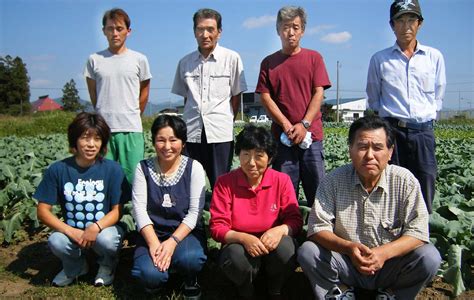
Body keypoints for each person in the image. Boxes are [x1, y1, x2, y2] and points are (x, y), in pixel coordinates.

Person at [297, 116, 441, 300]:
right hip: (347, 265)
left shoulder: (405, 181)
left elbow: (418, 231)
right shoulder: (333, 181)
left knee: (429, 257)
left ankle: (392, 294)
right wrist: (349, 248)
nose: (370, 155)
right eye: (362, 147)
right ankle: (339, 290)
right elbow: (317, 228)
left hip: (390, 266)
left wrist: (383, 253)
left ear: (390, 152)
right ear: (350, 149)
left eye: (378, 148)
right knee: (309, 251)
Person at [366, 0, 446, 213]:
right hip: (392, 132)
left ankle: (421, 236)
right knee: (391, 184)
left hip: (423, 132)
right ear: (392, 25)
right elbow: (374, 98)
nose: (406, 26)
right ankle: (391, 236)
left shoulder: (434, 57)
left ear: (420, 24)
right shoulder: (379, 59)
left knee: (425, 180)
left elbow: (439, 94)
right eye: (400, 20)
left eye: (411, 20)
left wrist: (426, 119)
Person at [35, 112, 128, 287]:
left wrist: (96, 227)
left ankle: (107, 266)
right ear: (75, 140)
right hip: (73, 231)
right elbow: (42, 211)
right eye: (86, 138)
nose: (91, 144)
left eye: (97, 139)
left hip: (103, 230)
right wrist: (71, 231)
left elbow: (118, 210)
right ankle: (76, 267)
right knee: (56, 241)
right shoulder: (58, 169)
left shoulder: (113, 169)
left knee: (108, 240)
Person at [210, 125, 303, 299]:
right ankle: (246, 289)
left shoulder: (281, 180)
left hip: (272, 245)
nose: (251, 162)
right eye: (245, 154)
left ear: (269, 158)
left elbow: (295, 220)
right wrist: (243, 238)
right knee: (235, 256)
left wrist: (279, 230)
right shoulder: (225, 182)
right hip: (238, 244)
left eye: (259, 155)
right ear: (239, 155)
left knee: (286, 248)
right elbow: (217, 227)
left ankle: (275, 289)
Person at [256, 6, 331, 208]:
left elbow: (319, 93)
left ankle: (319, 235)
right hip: (282, 139)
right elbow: (265, 97)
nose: (290, 32)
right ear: (278, 29)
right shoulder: (269, 63)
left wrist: (304, 124)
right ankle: (287, 236)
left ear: (302, 30)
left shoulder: (314, 58)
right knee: (282, 194)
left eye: (295, 27)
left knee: (318, 193)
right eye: (286, 27)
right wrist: (286, 124)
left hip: (312, 138)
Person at [131, 115, 207, 299]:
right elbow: (139, 210)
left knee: (191, 259)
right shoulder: (143, 168)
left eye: (173, 140)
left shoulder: (194, 167)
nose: (167, 146)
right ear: (153, 141)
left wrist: (172, 242)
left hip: (184, 233)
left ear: (182, 142)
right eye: (161, 140)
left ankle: (189, 279)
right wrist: (154, 243)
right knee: (149, 274)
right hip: (153, 232)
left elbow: (195, 212)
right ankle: (155, 283)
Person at [172, 8, 247, 188]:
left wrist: (226, 118)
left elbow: (236, 97)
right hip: (191, 133)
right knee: (188, 183)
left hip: (220, 132)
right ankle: (193, 216)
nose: (205, 34)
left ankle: (219, 216)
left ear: (219, 32)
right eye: (200, 29)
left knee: (220, 183)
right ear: (194, 32)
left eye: (210, 29)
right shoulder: (185, 62)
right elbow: (186, 98)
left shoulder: (232, 59)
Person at [84, 8, 152, 184]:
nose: (115, 33)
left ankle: (132, 211)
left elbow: (144, 91)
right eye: (110, 28)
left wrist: (134, 112)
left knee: (133, 178)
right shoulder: (94, 60)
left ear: (128, 31)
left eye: (119, 28)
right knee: (103, 178)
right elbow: (94, 94)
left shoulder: (139, 59)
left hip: (131, 128)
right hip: (103, 129)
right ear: (103, 31)